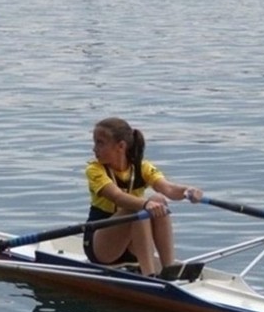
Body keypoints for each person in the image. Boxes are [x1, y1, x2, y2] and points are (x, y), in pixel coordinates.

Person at [84, 117, 202, 277]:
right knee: (137, 209)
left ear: (121, 146)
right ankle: (149, 275)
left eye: (100, 143)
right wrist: (145, 205)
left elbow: (168, 189)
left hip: (133, 245)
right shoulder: (94, 170)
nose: (94, 149)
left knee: (159, 200)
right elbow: (117, 197)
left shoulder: (142, 167)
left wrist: (188, 191)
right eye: (95, 143)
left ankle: (169, 268)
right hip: (102, 246)